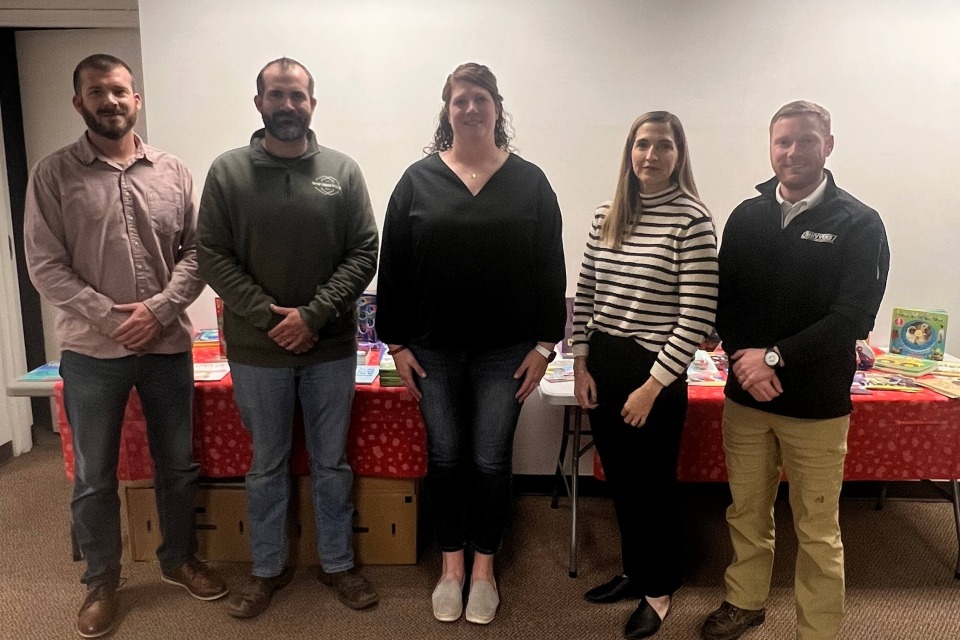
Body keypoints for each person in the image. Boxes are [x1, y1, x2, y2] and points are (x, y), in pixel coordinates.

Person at [23, 53, 227, 638]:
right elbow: (44, 264)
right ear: (78, 102)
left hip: (167, 347)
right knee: (93, 474)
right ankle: (101, 580)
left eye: (119, 91)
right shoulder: (53, 174)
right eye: (96, 92)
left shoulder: (174, 171)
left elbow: (198, 252)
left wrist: (160, 309)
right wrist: (111, 319)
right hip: (92, 351)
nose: (109, 100)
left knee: (178, 466)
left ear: (136, 99)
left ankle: (179, 560)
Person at [376, 62, 566, 625]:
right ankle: (451, 565)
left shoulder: (531, 182)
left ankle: (484, 567)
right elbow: (396, 268)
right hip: (431, 350)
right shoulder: (417, 180)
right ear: (447, 111)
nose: (471, 108)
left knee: (489, 460)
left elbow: (549, 268)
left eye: (480, 98)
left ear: (497, 108)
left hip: (505, 353)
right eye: (460, 100)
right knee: (446, 457)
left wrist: (545, 345)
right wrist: (397, 345)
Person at [196, 57, 379, 619]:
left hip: (327, 348)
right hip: (257, 352)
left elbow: (364, 251)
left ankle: (338, 564)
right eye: (276, 95)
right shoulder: (227, 172)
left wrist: (314, 315)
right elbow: (211, 254)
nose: (287, 105)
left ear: (312, 104)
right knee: (267, 465)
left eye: (297, 96)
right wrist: (269, 317)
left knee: (331, 463)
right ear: (259, 104)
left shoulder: (342, 172)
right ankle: (267, 570)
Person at [700, 101, 889, 640]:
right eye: (783, 141)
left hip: (816, 405)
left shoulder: (860, 223)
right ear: (770, 148)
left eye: (806, 140)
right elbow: (725, 303)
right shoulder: (746, 216)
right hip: (746, 399)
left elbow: (852, 317)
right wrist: (746, 360)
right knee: (747, 512)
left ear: (828, 145)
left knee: (817, 528)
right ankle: (744, 602)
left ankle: (818, 629)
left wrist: (774, 357)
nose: (793, 152)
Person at [571, 111, 719, 639]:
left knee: (652, 486)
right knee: (623, 484)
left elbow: (697, 313)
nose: (650, 156)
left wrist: (652, 386)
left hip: (653, 371)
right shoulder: (605, 215)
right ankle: (635, 572)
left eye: (663, 146)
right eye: (641, 145)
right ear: (628, 152)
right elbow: (585, 297)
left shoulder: (691, 220)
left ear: (680, 155)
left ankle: (659, 592)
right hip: (605, 363)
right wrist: (582, 364)